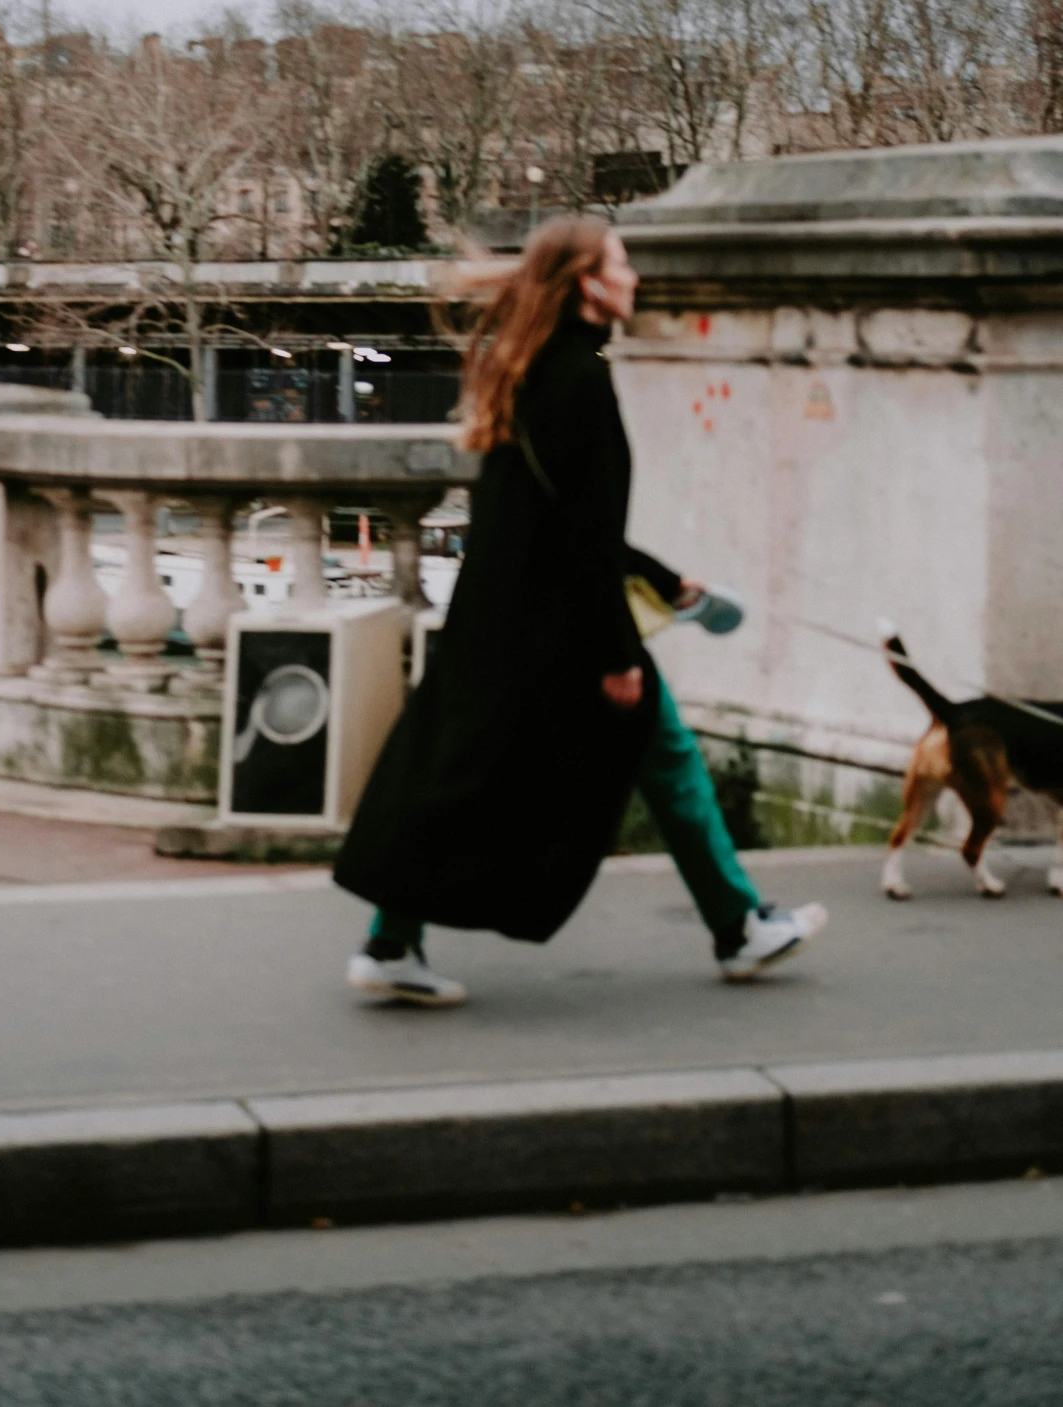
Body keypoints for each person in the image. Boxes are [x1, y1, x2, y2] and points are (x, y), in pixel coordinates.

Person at [333, 214, 825, 1006]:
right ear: (589, 284)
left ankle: (391, 940)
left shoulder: (528, 370)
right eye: (622, 263)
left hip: (500, 627)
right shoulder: (584, 381)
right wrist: (619, 654)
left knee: (461, 780)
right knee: (661, 755)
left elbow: (560, 522)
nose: (635, 278)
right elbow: (586, 538)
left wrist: (667, 582)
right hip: (562, 636)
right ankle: (738, 925)